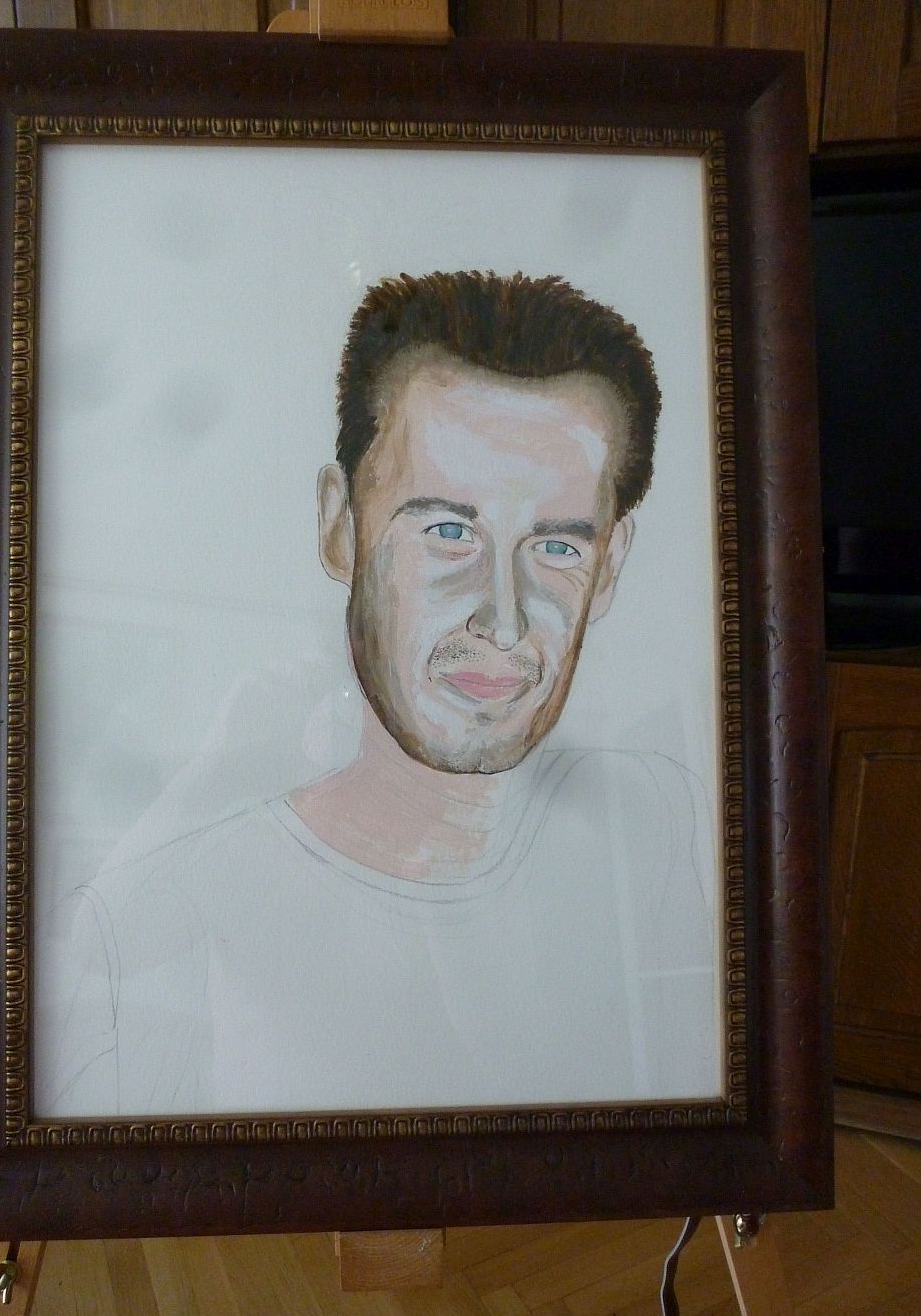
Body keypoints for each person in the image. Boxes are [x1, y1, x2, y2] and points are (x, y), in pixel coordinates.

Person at [36, 272, 719, 1119]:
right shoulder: (175, 911)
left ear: (609, 565)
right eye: (448, 531)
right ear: (340, 525)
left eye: (555, 547)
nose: (503, 619)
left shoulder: (655, 822)